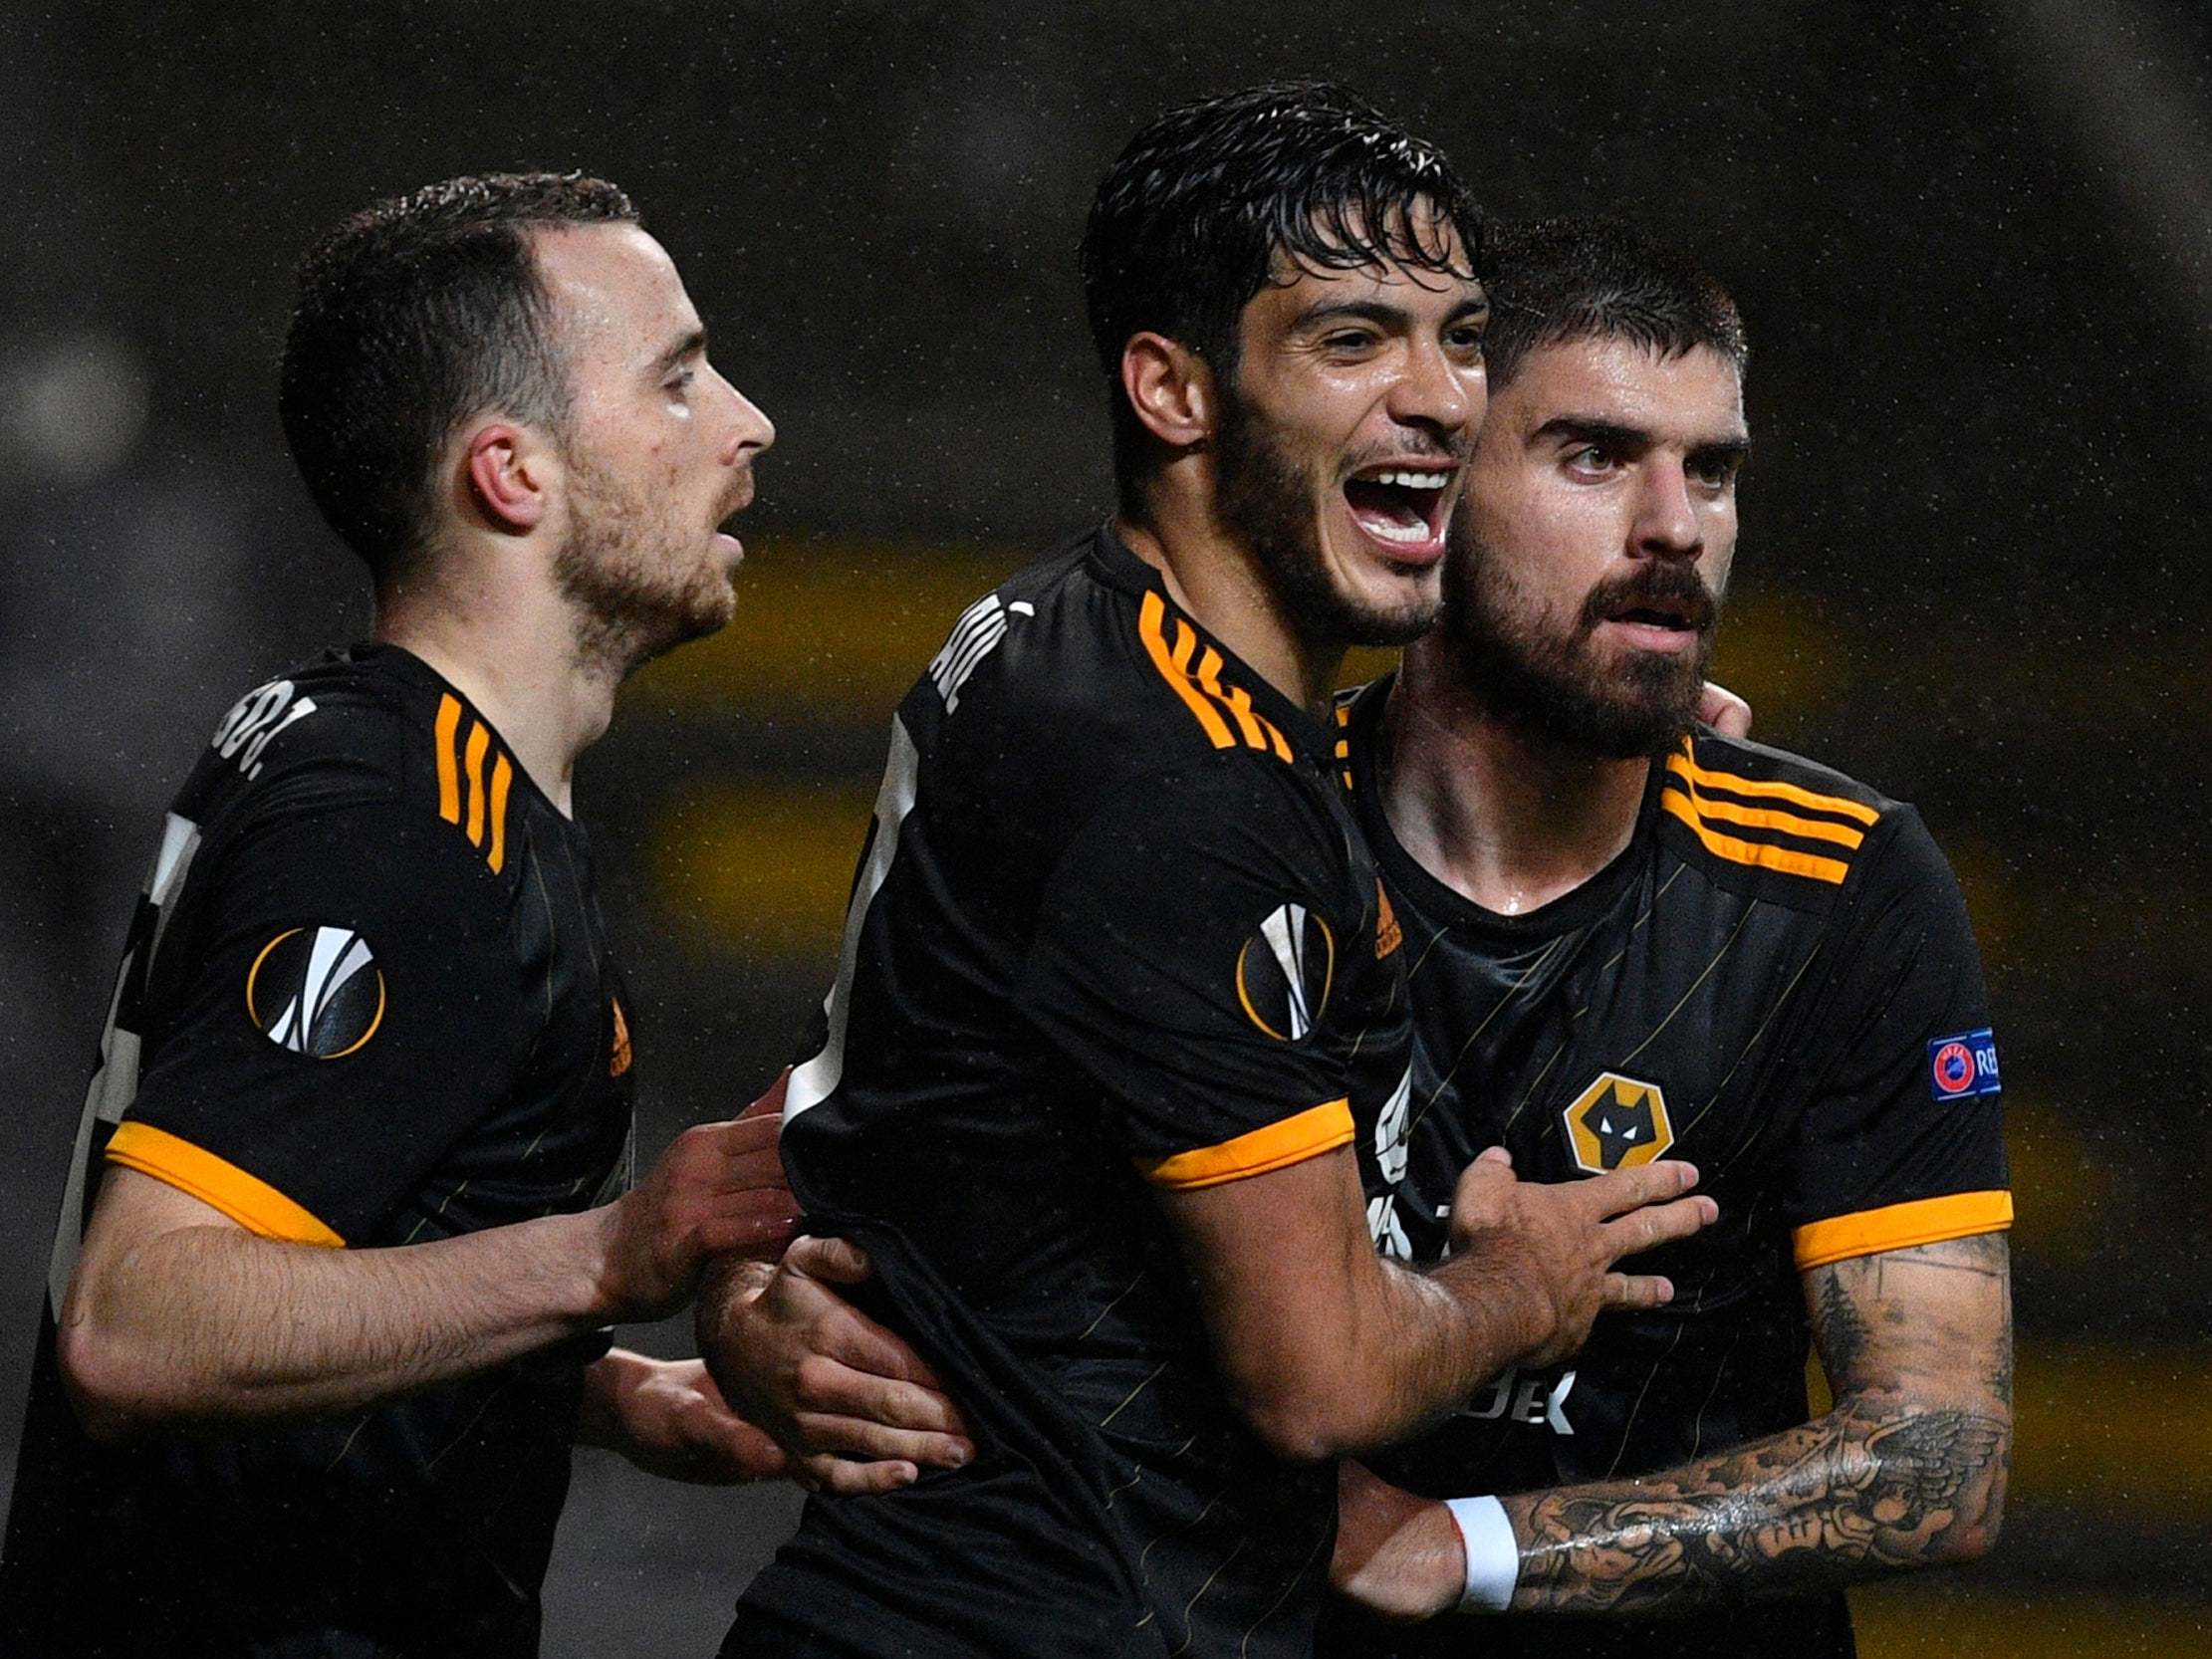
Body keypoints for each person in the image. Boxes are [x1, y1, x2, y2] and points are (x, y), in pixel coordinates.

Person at [697, 86, 1716, 1659]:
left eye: (1460, 336)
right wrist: (1525, 1284)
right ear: (1173, 388)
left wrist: (752, 1268)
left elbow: (909, 1077)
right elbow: (1314, 1375)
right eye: (1353, 339)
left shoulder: (1059, 636)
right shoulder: (1179, 787)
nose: (1443, 396)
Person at [0, 172, 812, 1658]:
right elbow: (140, 1323)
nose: (745, 422)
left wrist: (595, 1385)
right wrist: (604, 1255)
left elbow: (329, 1249)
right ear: (512, 473)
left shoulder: (369, 749)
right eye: (678, 378)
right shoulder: (398, 823)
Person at [1321, 217, 2013, 1658]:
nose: (1674, 527)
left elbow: (1938, 1459)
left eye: (1711, 469)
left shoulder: (1843, 884)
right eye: (1594, 456)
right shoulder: (1242, 843)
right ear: (1428, 482)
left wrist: (1467, 1544)